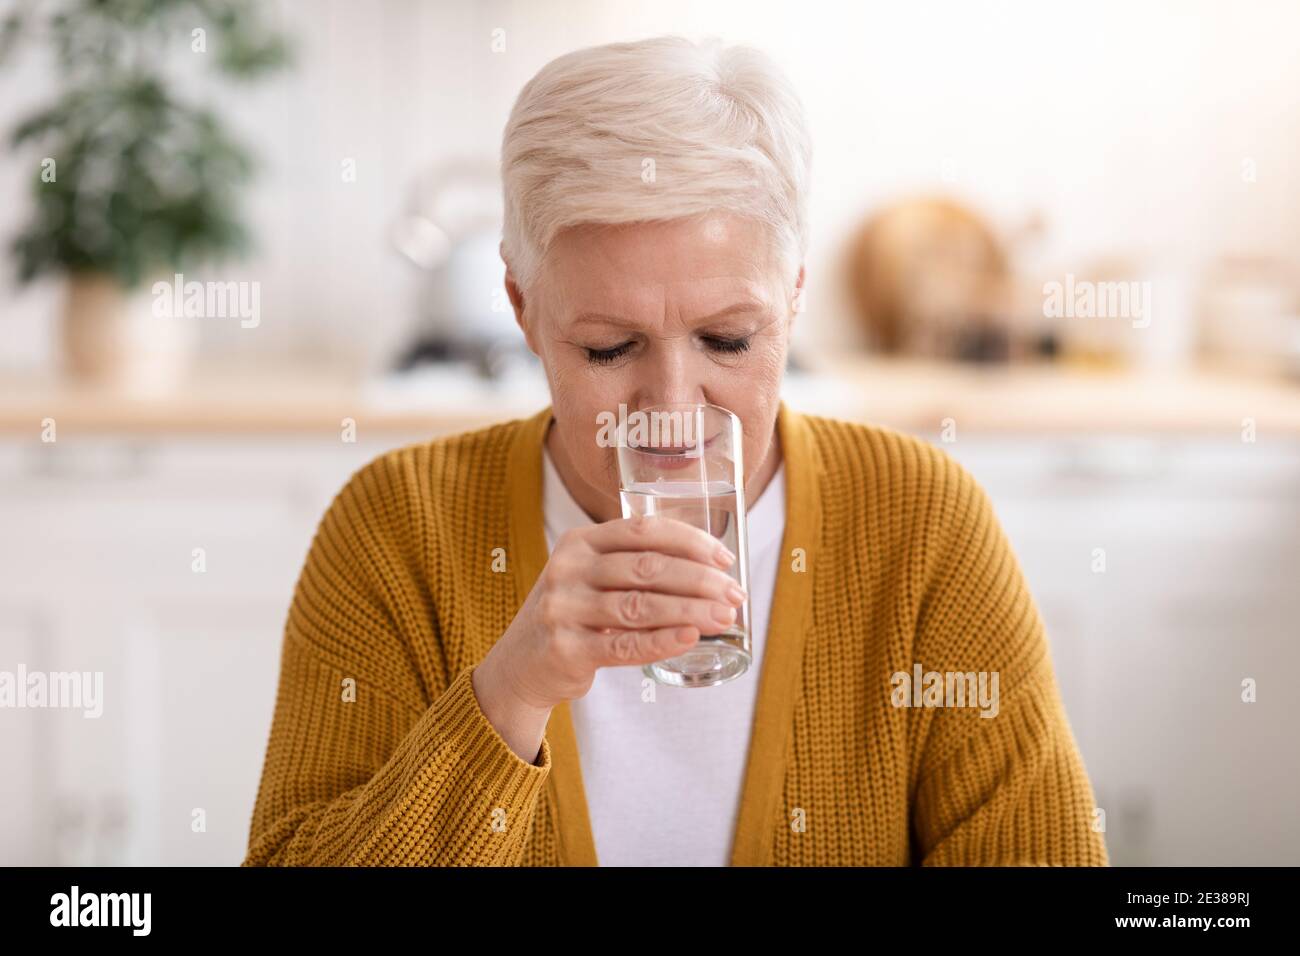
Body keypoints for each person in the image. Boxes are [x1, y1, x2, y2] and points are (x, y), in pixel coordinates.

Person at [243, 34, 1107, 867]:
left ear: (795, 297)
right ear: (523, 309)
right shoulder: (395, 529)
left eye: (728, 339)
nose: (671, 411)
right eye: (610, 349)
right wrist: (507, 694)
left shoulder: (922, 523)